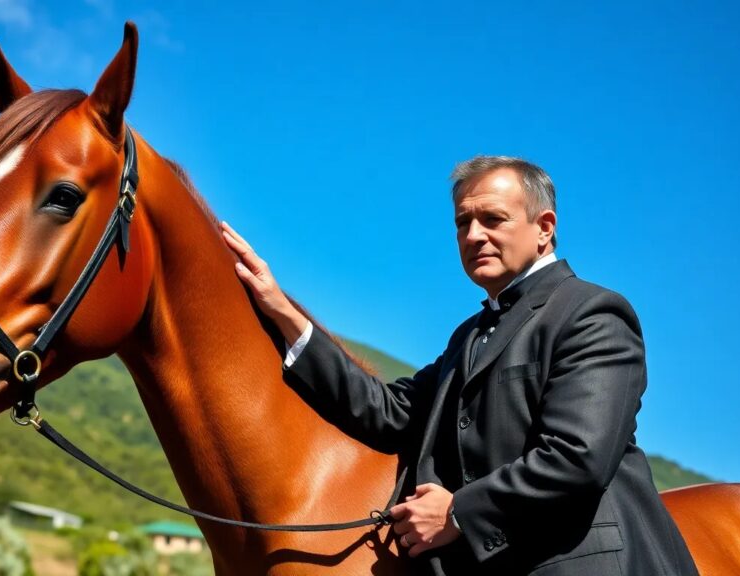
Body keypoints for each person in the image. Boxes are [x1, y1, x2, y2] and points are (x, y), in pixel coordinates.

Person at [221, 156, 698, 575]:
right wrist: (284, 312)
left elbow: (578, 457)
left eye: (493, 219)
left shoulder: (592, 311)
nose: (474, 236)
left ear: (544, 228)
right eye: (462, 223)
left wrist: (456, 513)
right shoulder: (468, 336)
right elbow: (388, 411)